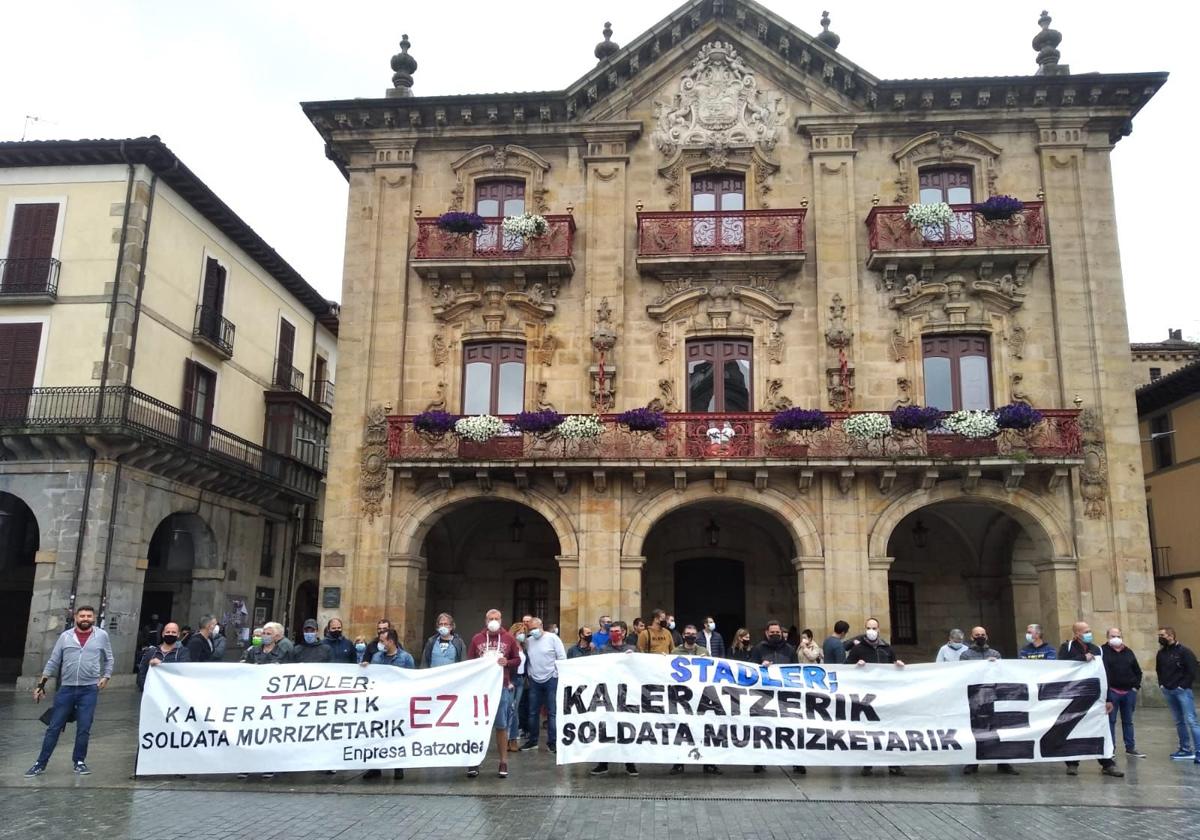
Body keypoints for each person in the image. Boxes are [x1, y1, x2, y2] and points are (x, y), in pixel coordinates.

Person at [26, 605, 113, 777]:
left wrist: (106, 676)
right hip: (67, 688)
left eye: (89, 616)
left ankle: (79, 761)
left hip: (89, 689)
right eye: (82, 616)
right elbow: (53, 661)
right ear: (75, 617)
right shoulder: (66, 637)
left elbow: (109, 658)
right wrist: (41, 685)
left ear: (94, 618)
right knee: (54, 727)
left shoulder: (101, 635)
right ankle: (40, 763)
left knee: (84, 727)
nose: (85, 619)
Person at [1059, 621, 1124, 777]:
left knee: (1100, 728)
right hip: (1074, 696)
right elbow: (1061, 667)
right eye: (1086, 631)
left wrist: (1108, 698)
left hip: (1095, 696)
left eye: (1090, 630)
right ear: (1077, 634)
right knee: (1071, 728)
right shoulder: (1067, 648)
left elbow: (1104, 674)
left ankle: (1107, 763)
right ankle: (1072, 763)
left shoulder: (1097, 649)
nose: (1089, 633)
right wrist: (1082, 658)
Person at [845, 618, 905, 777]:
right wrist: (856, 667)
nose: (871, 630)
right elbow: (845, 668)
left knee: (890, 730)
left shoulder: (887, 648)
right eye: (869, 627)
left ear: (879, 629)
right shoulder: (858, 650)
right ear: (865, 629)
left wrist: (898, 665)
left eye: (874, 627)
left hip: (885, 695)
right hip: (866, 696)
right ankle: (868, 763)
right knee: (869, 731)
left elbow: (894, 663)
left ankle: (894, 764)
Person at [467, 608, 522, 778]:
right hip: (481, 689)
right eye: (490, 618)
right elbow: (469, 662)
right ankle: (474, 762)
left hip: (501, 687)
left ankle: (503, 761)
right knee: (478, 725)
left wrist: (507, 662)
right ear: (485, 620)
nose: (493, 621)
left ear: (501, 620)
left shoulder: (508, 638)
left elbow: (517, 659)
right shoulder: (477, 639)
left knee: (501, 725)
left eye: (496, 618)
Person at [959, 626, 1017, 776]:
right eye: (977, 635)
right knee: (977, 730)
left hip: (993, 696)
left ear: (987, 636)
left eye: (982, 634)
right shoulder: (965, 655)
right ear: (971, 637)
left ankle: (1003, 762)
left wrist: (995, 664)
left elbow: (1002, 673)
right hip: (975, 698)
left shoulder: (995, 654)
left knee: (997, 730)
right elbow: (963, 674)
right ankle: (973, 762)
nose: (980, 637)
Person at [360, 628, 414, 780]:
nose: (380, 644)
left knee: (397, 734)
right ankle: (375, 767)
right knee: (377, 734)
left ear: (391, 641)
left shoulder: (406, 658)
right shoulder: (376, 657)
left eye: (383, 641)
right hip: (380, 703)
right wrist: (364, 668)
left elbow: (413, 679)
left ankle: (398, 766)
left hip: (398, 702)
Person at [520, 618, 566, 754]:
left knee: (552, 712)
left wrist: (557, 674)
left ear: (541, 626)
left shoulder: (553, 638)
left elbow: (561, 657)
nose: (533, 631)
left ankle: (553, 742)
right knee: (533, 712)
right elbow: (527, 658)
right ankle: (533, 741)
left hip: (551, 678)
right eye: (531, 629)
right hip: (535, 680)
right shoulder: (529, 641)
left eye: (535, 628)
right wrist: (529, 675)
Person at [1156, 626, 1200, 763]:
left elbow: (1192, 670)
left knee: (1191, 720)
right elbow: (1159, 670)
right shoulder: (1161, 653)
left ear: (1171, 636)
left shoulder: (1184, 651)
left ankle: (1199, 750)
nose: (1160, 637)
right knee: (1178, 721)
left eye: (1162, 635)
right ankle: (1185, 748)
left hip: (1182, 691)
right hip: (1168, 690)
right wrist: (1161, 684)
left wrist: (1183, 686)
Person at [1102, 627, 1144, 759]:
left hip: (1128, 692)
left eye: (1118, 636)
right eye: (1112, 636)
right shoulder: (1103, 651)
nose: (1116, 638)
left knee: (1128, 721)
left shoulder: (1128, 651)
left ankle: (1130, 748)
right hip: (1112, 692)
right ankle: (1111, 749)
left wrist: (1135, 687)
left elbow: (1137, 671)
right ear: (1108, 637)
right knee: (1111, 721)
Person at [136, 621, 190, 690]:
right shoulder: (151, 652)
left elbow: (183, 671)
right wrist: (147, 688)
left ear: (178, 634)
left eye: (174, 632)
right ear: (163, 634)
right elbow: (141, 674)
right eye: (168, 632)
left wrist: (162, 664)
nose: (170, 634)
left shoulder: (183, 652)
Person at [507, 622, 528, 751]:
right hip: (511, 679)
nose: (522, 635)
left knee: (515, 711)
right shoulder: (509, 646)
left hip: (520, 679)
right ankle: (508, 738)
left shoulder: (523, 647)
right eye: (520, 632)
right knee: (510, 709)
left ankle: (513, 738)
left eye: (524, 632)